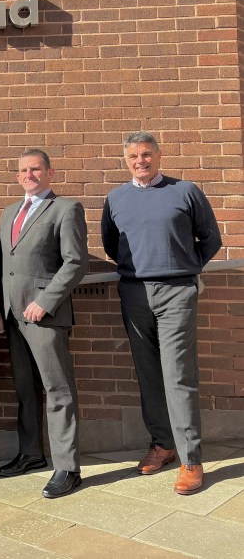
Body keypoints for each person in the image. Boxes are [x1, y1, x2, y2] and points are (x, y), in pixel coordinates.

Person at [101, 131, 222, 495]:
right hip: (134, 292)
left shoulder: (185, 191)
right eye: (134, 156)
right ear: (126, 160)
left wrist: (184, 269)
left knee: (179, 374)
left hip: (176, 292)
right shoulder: (116, 198)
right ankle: (163, 444)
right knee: (148, 372)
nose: (141, 161)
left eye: (147, 154)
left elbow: (210, 238)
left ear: (159, 155)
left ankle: (190, 458)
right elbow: (112, 244)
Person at [0, 149, 88, 499]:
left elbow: (75, 262)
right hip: (13, 319)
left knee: (58, 390)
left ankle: (67, 467)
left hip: (45, 317)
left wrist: (45, 302)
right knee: (24, 390)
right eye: (22, 170)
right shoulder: (8, 213)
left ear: (49, 172)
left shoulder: (66, 209)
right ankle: (31, 454)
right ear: (17, 176)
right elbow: (2, 265)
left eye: (35, 169)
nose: (28, 175)